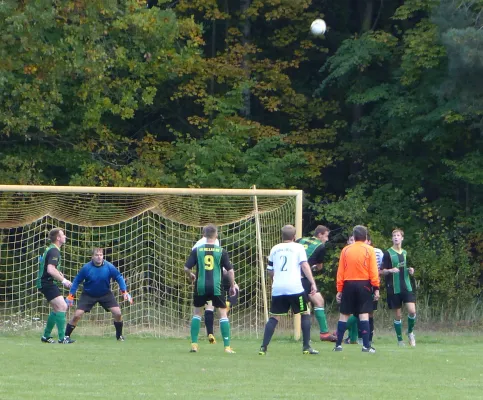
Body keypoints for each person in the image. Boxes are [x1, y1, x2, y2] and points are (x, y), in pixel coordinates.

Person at [259, 225, 319, 355]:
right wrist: (313, 283)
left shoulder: (275, 249)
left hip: (278, 288)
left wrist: (276, 279)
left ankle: (263, 347)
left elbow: (270, 270)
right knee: (305, 312)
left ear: (282, 236)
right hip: (294, 288)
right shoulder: (298, 247)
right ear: (294, 237)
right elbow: (304, 265)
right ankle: (306, 347)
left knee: (274, 317)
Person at [185, 224, 236, 354]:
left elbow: (186, 268)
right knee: (223, 313)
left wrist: (190, 275)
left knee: (197, 313)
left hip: (200, 285)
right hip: (216, 287)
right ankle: (227, 347)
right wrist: (231, 286)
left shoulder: (197, 250)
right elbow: (230, 271)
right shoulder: (221, 251)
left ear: (204, 234)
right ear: (216, 235)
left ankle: (194, 345)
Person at [64, 248, 133, 341]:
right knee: (77, 315)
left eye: (101, 255)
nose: (99, 257)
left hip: (105, 293)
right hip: (88, 294)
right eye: (96, 255)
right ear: (92, 257)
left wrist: (124, 291)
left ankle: (119, 336)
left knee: (118, 313)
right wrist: (71, 295)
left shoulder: (109, 266)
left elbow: (119, 277)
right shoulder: (86, 268)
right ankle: (66, 336)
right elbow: (76, 281)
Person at [334, 225, 380, 353]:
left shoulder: (346, 250)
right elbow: (373, 271)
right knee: (363, 314)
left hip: (348, 283)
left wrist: (339, 289)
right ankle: (366, 346)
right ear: (365, 237)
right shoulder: (370, 250)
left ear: (354, 237)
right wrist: (376, 288)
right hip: (364, 284)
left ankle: (338, 345)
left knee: (344, 314)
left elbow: (340, 271)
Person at [296, 225, 336, 342]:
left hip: (297, 277)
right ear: (319, 235)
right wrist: (314, 267)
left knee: (316, 302)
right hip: (303, 278)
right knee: (306, 307)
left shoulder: (300, 240)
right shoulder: (320, 246)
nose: (327, 239)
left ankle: (323, 333)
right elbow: (319, 266)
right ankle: (311, 337)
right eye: (326, 236)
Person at [37, 228, 75, 344]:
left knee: (57, 308)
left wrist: (59, 274)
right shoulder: (54, 251)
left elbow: (50, 268)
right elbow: (50, 269)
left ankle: (46, 336)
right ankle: (62, 338)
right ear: (58, 238)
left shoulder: (52, 249)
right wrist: (64, 280)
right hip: (46, 283)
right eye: (63, 235)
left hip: (46, 282)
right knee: (63, 306)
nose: (65, 237)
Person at [381, 228, 416, 347]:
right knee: (398, 315)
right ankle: (400, 340)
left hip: (406, 285)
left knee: (412, 311)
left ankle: (410, 332)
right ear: (392, 238)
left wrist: (410, 270)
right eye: (394, 236)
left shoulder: (405, 252)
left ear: (402, 238)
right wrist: (390, 270)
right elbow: (381, 271)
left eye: (398, 235)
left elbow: (406, 266)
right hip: (394, 287)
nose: (396, 237)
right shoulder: (388, 253)